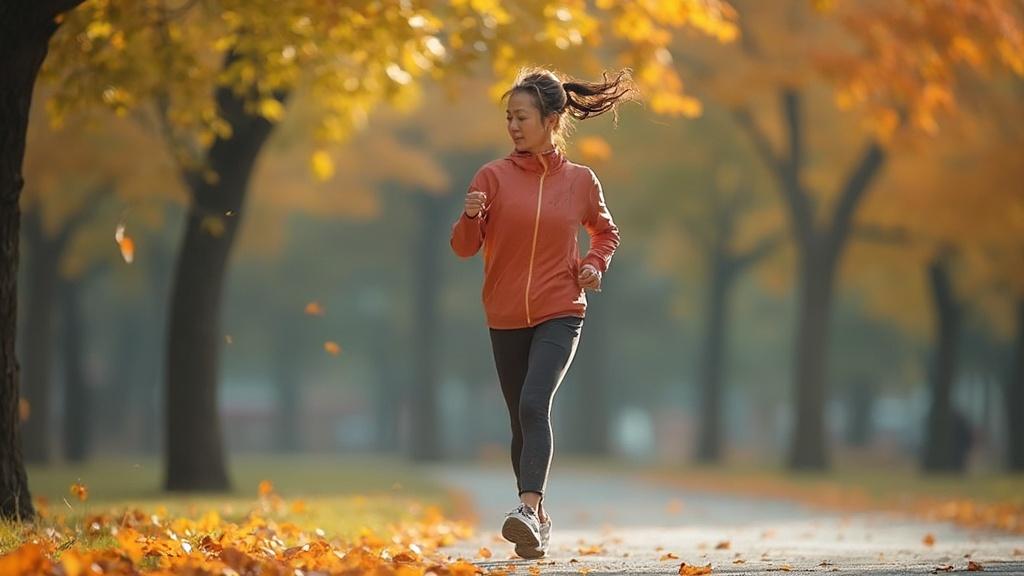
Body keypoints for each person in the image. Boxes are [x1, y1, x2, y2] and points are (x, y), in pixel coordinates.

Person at [449, 66, 637, 559]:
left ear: (552, 119)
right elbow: (464, 248)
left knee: (534, 404)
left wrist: (594, 264)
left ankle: (527, 510)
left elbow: (605, 232)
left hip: (561, 308)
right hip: (505, 313)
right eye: (508, 117)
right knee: (519, 417)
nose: (513, 126)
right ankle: (539, 519)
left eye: (522, 117)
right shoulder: (491, 177)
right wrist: (471, 217)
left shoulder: (580, 181)